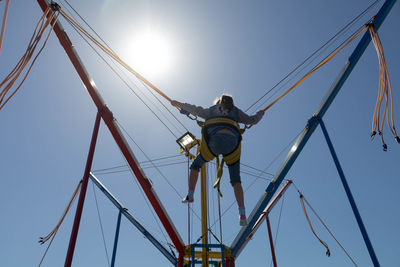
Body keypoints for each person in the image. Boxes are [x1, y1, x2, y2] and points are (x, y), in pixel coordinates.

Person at [171, 94, 264, 226]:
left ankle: (190, 195)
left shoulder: (212, 110)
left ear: (219, 102)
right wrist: (261, 113)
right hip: (232, 145)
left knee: (196, 165)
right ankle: (242, 214)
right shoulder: (236, 111)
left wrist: (178, 103)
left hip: (214, 143)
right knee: (236, 181)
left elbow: (195, 109)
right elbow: (252, 120)